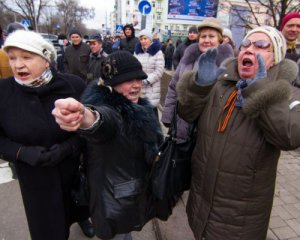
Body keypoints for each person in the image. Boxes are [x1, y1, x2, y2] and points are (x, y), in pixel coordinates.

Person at [176, 25, 300, 239]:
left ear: (276, 57)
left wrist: (258, 90)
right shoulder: (222, 82)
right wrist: (200, 87)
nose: (250, 49)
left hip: (240, 215)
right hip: (202, 198)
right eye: (246, 44)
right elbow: (187, 114)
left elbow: (289, 137)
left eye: (261, 45)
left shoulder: (287, 92)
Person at [52, 50, 164, 240]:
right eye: (128, 80)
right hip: (113, 202)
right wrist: (83, 116)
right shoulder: (112, 111)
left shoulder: (139, 107)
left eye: (139, 79)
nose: (136, 85)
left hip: (127, 196)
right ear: (111, 85)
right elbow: (101, 120)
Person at [0, 29, 94, 239]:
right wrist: (22, 153)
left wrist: (67, 148)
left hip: (72, 169)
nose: (18, 65)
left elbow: (90, 128)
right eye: (12, 58)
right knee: (48, 230)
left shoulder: (73, 85)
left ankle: (81, 218)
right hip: (34, 178)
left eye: (26, 57)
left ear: (46, 60)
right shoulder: (3, 92)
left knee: (77, 204)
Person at [161, 17, 234, 143]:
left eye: (211, 36)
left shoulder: (227, 63)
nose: (206, 40)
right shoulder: (187, 59)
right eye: (203, 36)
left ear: (220, 39)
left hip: (207, 129)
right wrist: (167, 115)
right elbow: (173, 87)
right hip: (181, 124)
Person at [134, 29, 164, 118]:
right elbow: (134, 67)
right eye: (141, 39)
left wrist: (147, 80)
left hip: (152, 88)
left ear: (150, 39)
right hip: (139, 87)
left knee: (152, 115)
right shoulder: (137, 52)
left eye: (145, 38)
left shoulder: (158, 52)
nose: (143, 41)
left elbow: (159, 71)